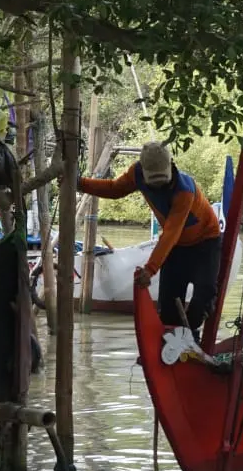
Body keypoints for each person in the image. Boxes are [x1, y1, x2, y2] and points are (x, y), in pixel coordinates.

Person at [79, 141, 222, 339]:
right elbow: (114, 189)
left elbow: (171, 232)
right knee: (168, 308)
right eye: (153, 180)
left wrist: (150, 269)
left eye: (161, 179)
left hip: (205, 243)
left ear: (171, 166)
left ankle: (190, 338)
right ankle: (174, 343)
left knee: (203, 298)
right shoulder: (136, 174)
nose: (158, 185)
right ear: (143, 170)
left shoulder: (184, 191)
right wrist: (80, 183)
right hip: (177, 247)